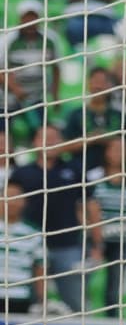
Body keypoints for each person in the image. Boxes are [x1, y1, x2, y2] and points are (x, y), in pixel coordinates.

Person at [11, 126, 86, 313]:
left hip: (66, 245)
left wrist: (94, 241)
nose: (49, 141)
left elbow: (86, 205)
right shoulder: (21, 173)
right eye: (44, 137)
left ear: (62, 142)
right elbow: (9, 203)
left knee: (74, 301)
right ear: (34, 142)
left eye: (54, 137)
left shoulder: (74, 170)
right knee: (32, 303)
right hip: (30, 246)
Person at [84, 138, 126, 313]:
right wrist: (97, 243)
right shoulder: (95, 177)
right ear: (107, 152)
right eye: (114, 149)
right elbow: (91, 210)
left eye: (123, 149)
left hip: (121, 241)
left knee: (114, 291)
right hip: (96, 239)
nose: (118, 153)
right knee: (86, 282)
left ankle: (112, 324)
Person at [0, 180, 44, 315]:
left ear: (24, 202)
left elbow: (40, 269)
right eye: (8, 197)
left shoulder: (34, 233)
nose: (12, 202)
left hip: (20, 297)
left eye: (16, 197)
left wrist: (42, 300)